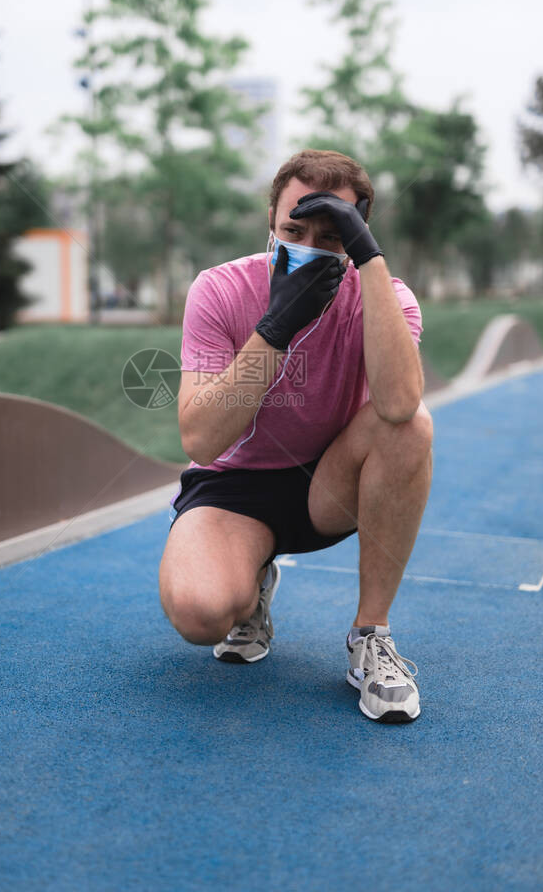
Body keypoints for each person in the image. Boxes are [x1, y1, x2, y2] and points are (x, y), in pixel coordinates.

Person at [159, 149, 433, 723]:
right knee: (198, 611)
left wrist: (369, 263)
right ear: (270, 222)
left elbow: (400, 405)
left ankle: (371, 635)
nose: (309, 243)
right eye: (294, 228)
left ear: (358, 237)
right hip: (233, 487)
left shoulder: (384, 296)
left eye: (333, 234)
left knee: (412, 427)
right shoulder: (219, 289)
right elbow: (200, 440)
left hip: (328, 484)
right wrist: (277, 325)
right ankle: (251, 582)